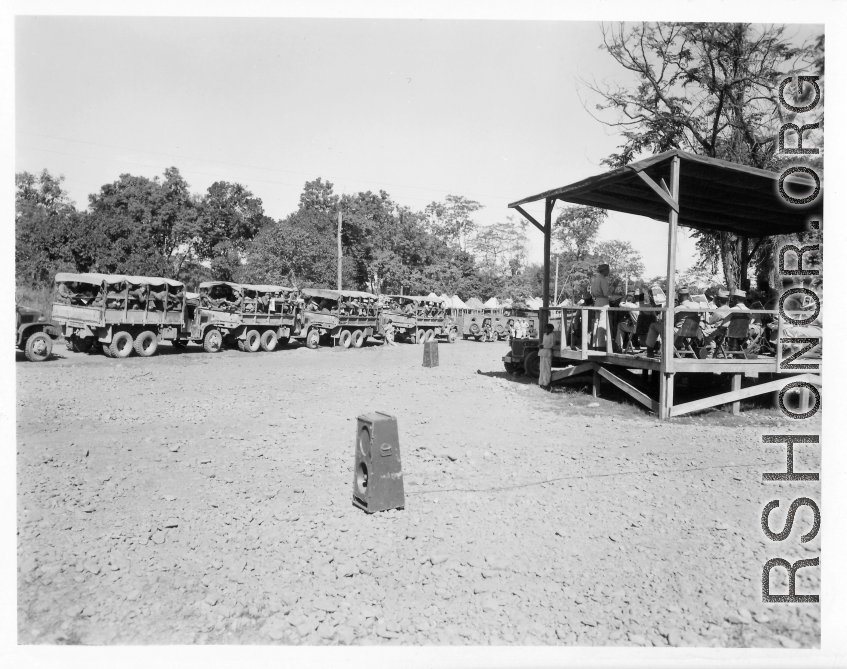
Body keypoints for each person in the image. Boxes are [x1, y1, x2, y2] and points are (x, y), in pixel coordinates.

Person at [590, 263, 611, 348]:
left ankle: (595, 344)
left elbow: (592, 292)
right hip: (603, 302)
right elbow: (606, 293)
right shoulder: (603, 279)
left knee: (596, 323)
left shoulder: (595, 279)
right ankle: (601, 345)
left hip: (597, 302)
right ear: (605, 270)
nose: (609, 272)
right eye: (608, 270)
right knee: (602, 323)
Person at [539, 323, 556, 390]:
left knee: (547, 368)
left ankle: (546, 383)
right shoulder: (544, 335)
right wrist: (541, 345)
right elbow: (543, 343)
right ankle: (541, 382)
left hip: (548, 352)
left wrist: (544, 346)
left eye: (547, 328)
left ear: (550, 329)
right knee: (542, 368)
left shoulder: (553, 335)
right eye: (545, 328)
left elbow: (552, 344)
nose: (546, 330)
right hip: (542, 352)